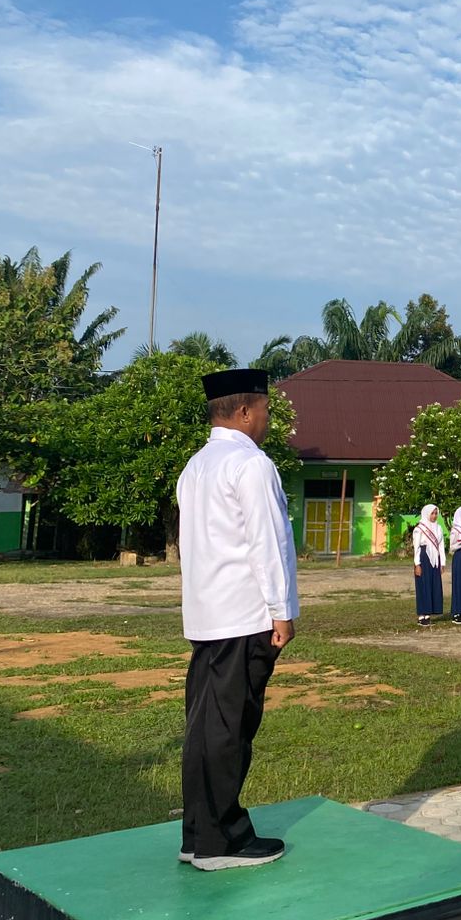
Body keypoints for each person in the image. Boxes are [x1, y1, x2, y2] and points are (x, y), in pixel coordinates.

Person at [176, 368, 297, 871]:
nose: (268, 420)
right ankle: (220, 841)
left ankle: (197, 832)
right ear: (245, 411)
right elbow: (268, 543)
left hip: (208, 615)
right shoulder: (251, 465)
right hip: (244, 616)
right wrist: (282, 612)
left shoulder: (197, 466)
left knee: (205, 728)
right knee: (230, 729)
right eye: (266, 410)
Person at [413, 504, 446, 626]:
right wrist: (417, 564)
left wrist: (442, 562)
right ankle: (422, 615)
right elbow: (416, 547)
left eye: (436, 513)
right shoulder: (419, 529)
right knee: (423, 584)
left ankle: (429, 614)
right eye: (432, 513)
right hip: (423, 557)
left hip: (435, 558)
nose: (434, 516)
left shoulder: (438, 528)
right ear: (426, 513)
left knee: (433, 585)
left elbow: (441, 546)